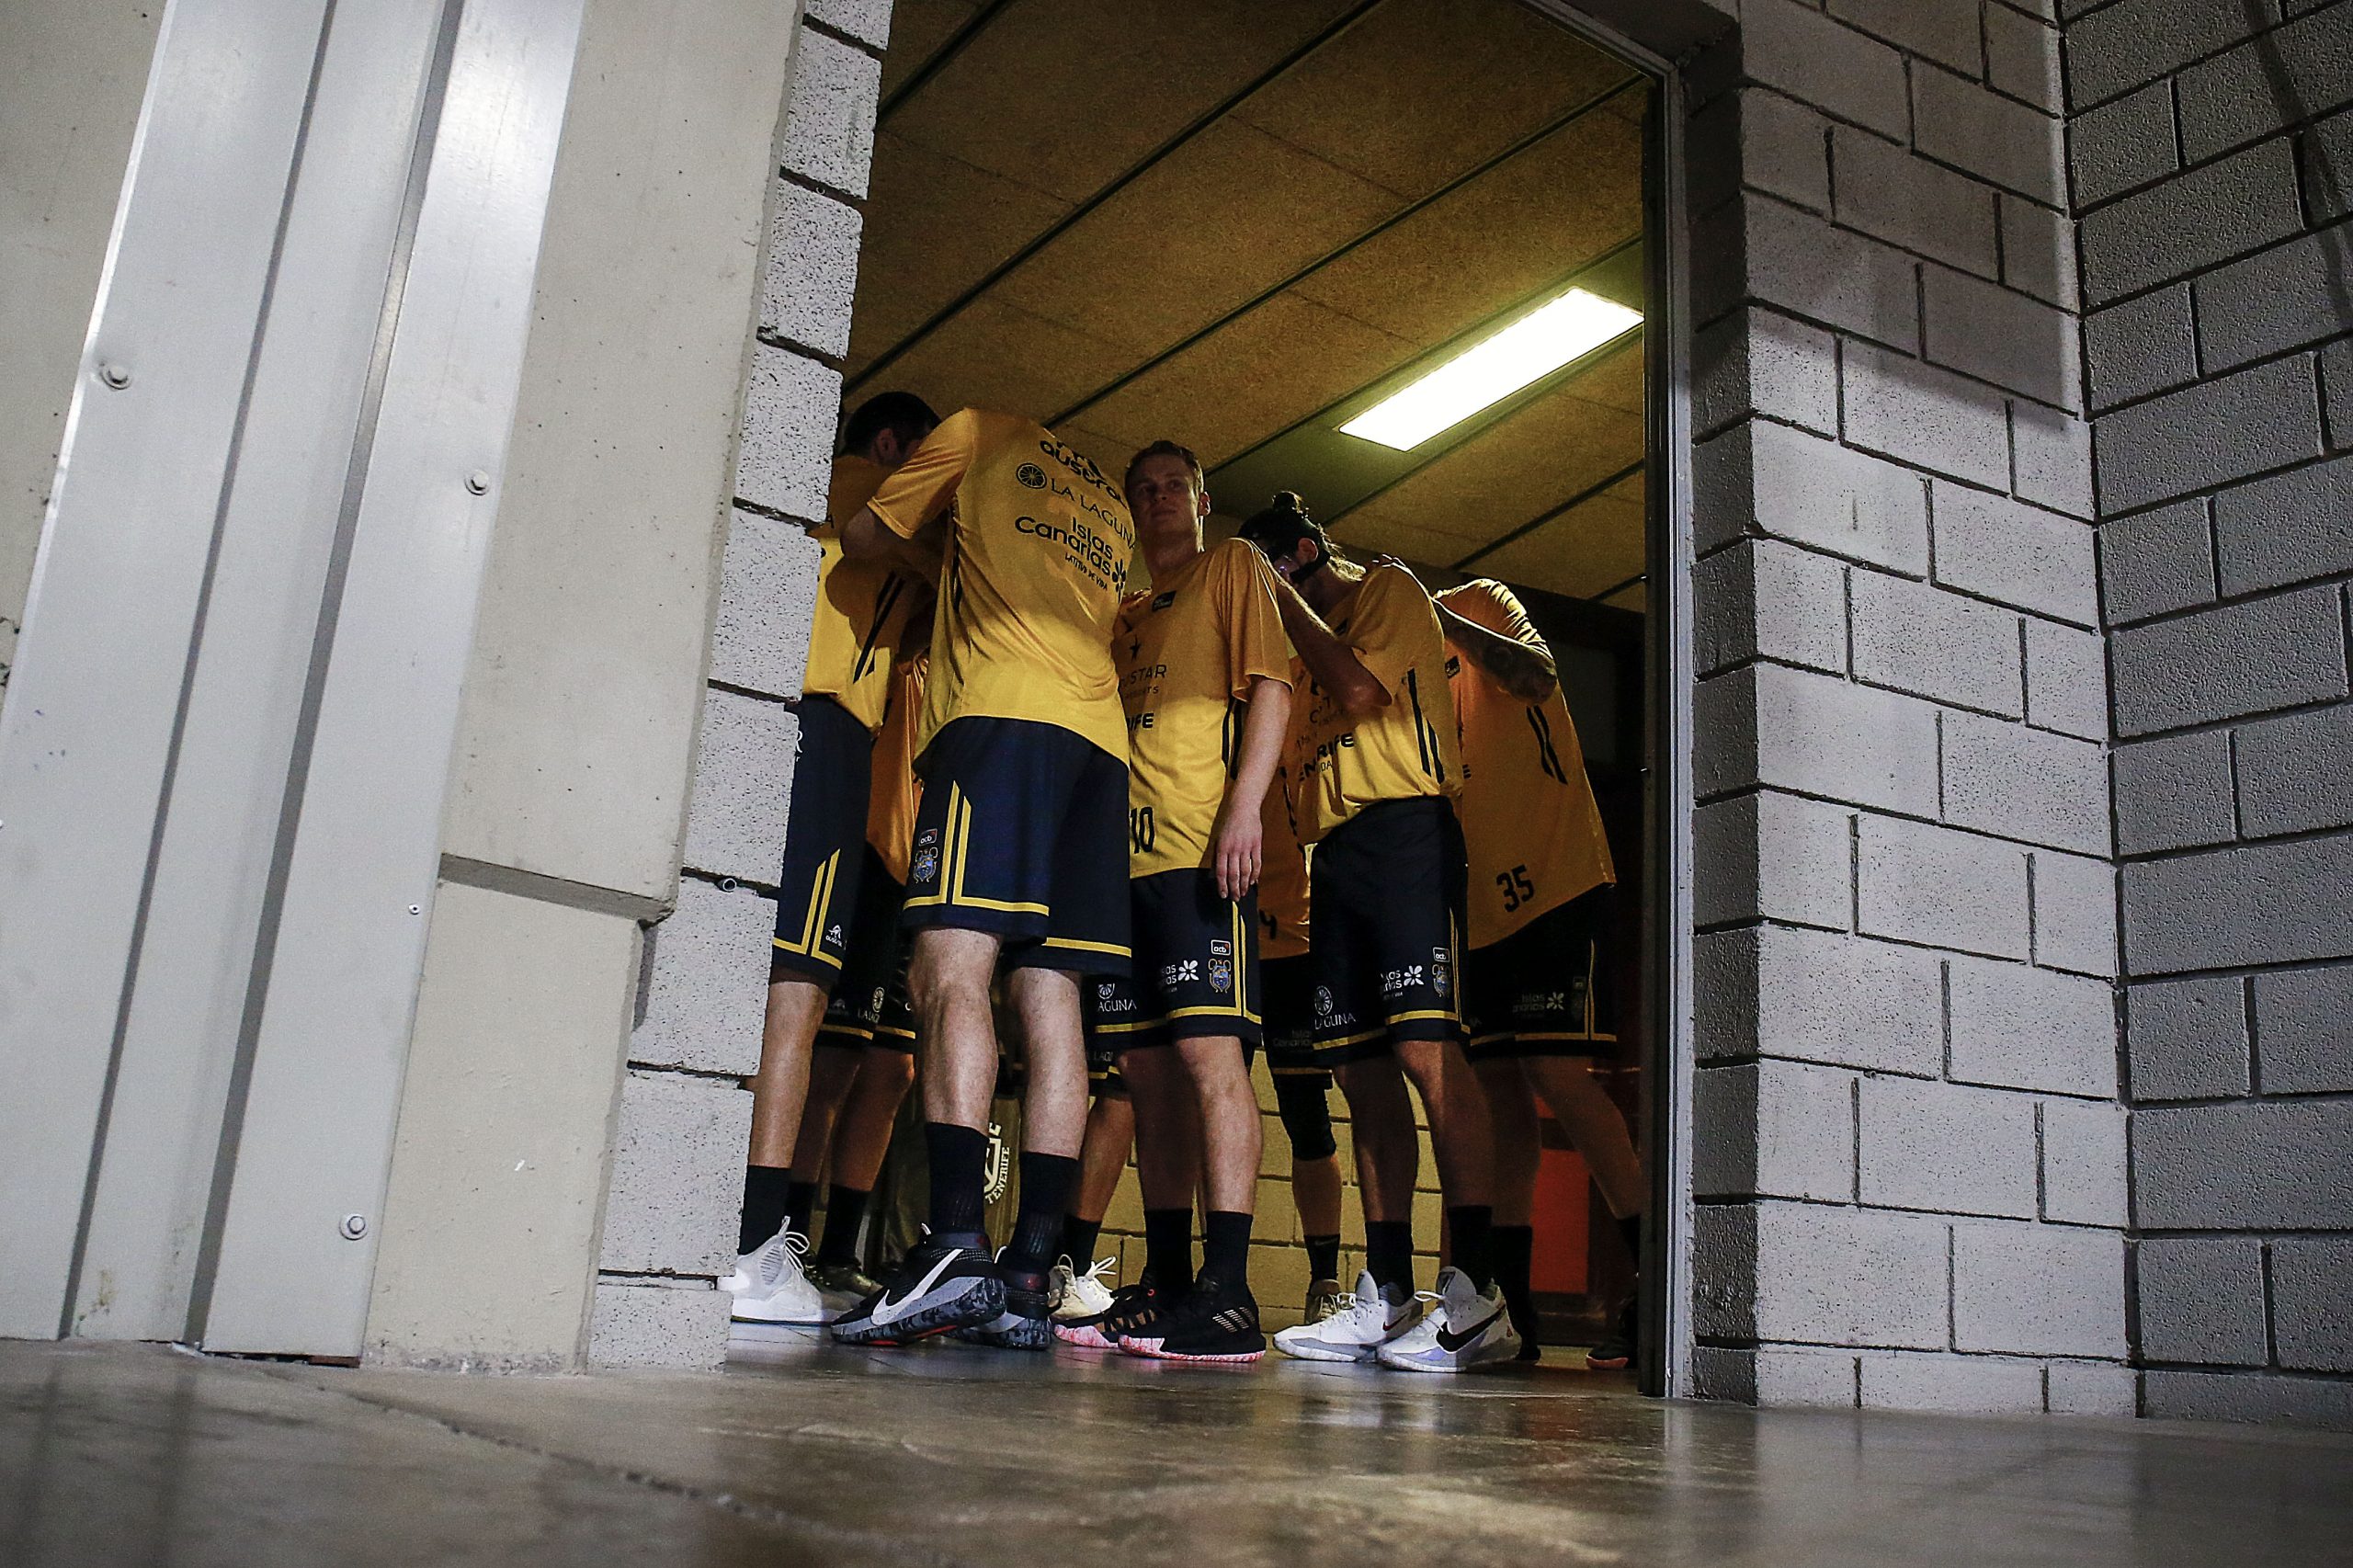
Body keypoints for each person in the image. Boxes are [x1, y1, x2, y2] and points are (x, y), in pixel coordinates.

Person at [828, 410, 1135, 1350]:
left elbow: (864, 533)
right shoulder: (1111, 505)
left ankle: (954, 1244)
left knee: (947, 969)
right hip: (1100, 743)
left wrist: (938, 567)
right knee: (1051, 995)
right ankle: (1029, 1271)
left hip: (1000, 715)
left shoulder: (976, 429)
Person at [1236, 494, 1519, 1373]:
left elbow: (1360, 691)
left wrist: (1284, 602)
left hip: (1407, 833)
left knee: (1428, 1053)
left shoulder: (1386, 589)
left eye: (1268, 571)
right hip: (1337, 853)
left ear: (1301, 554)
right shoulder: (1296, 648)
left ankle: (1477, 1294)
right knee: (1360, 1072)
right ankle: (1388, 1289)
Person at [1055, 440, 1292, 1365]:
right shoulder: (1121, 614)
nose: (1158, 499)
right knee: (1146, 1074)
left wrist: (1244, 810)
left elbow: (1272, 690)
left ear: (1202, 499)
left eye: (1173, 486)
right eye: (1143, 488)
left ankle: (1229, 1293)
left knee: (1208, 1059)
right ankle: (1167, 1278)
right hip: (1124, 867)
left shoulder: (1231, 566)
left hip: (1201, 852)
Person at [731, 392, 938, 1325]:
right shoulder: (870, 498)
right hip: (826, 733)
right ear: (891, 446)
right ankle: (753, 1248)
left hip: (774, 722)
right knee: (797, 993)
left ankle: (751, 1238)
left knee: (780, 994)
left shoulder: (807, 492)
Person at [1437, 577, 1643, 1369]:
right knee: (1498, 1094)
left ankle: (1654, 1278)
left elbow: (1536, 676)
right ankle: (1511, 1307)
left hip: (1559, 881)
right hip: (1482, 905)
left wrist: (1441, 618)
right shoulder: (1395, 653)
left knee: (1557, 1070)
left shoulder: (1477, 600)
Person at [1258, 750, 1347, 1325]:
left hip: (1295, 940)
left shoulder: (1298, 721)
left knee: (1306, 1119)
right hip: (1218, 923)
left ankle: (1324, 1281)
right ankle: (1191, 1274)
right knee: (1199, 1107)